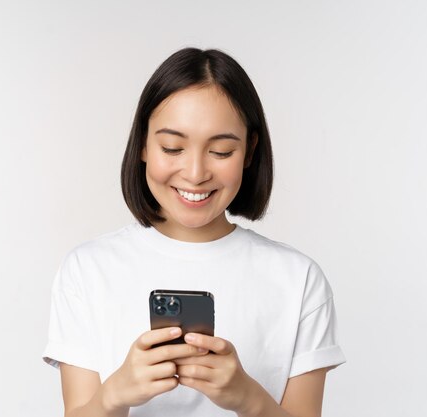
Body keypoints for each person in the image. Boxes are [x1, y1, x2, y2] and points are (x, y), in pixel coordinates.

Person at [42, 47, 346, 417]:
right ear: (142, 144)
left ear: (249, 151)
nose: (196, 172)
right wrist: (115, 395)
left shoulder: (298, 279)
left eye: (220, 151)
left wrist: (247, 397)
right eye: (173, 147)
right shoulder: (88, 270)